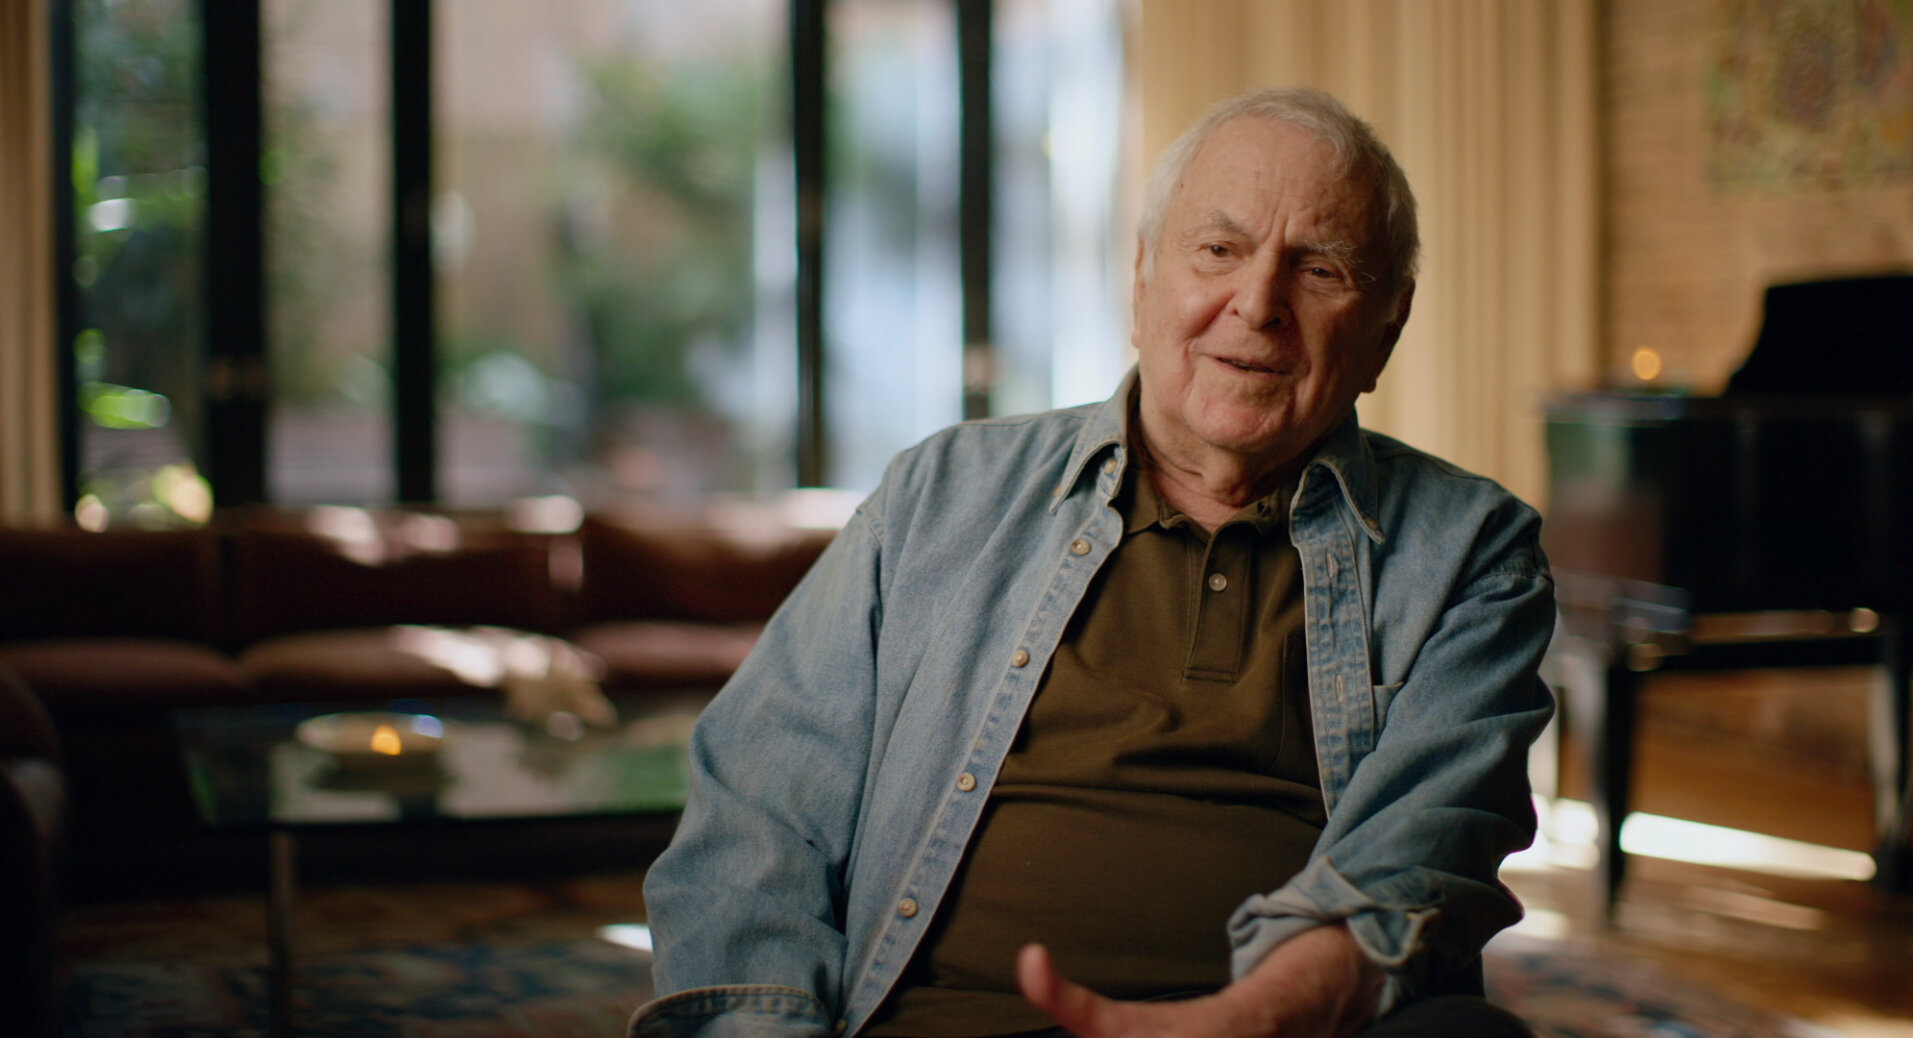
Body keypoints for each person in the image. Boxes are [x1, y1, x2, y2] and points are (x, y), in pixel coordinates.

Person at [631, 86, 1554, 1038]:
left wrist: (1245, 1021)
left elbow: (1417, 863)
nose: (1258, 304)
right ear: (1143, 279)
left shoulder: (1471, 551)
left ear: (1387, 327)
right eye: (1219, 250)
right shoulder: (940, 493)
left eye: (1320, 269)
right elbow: (756, 819)